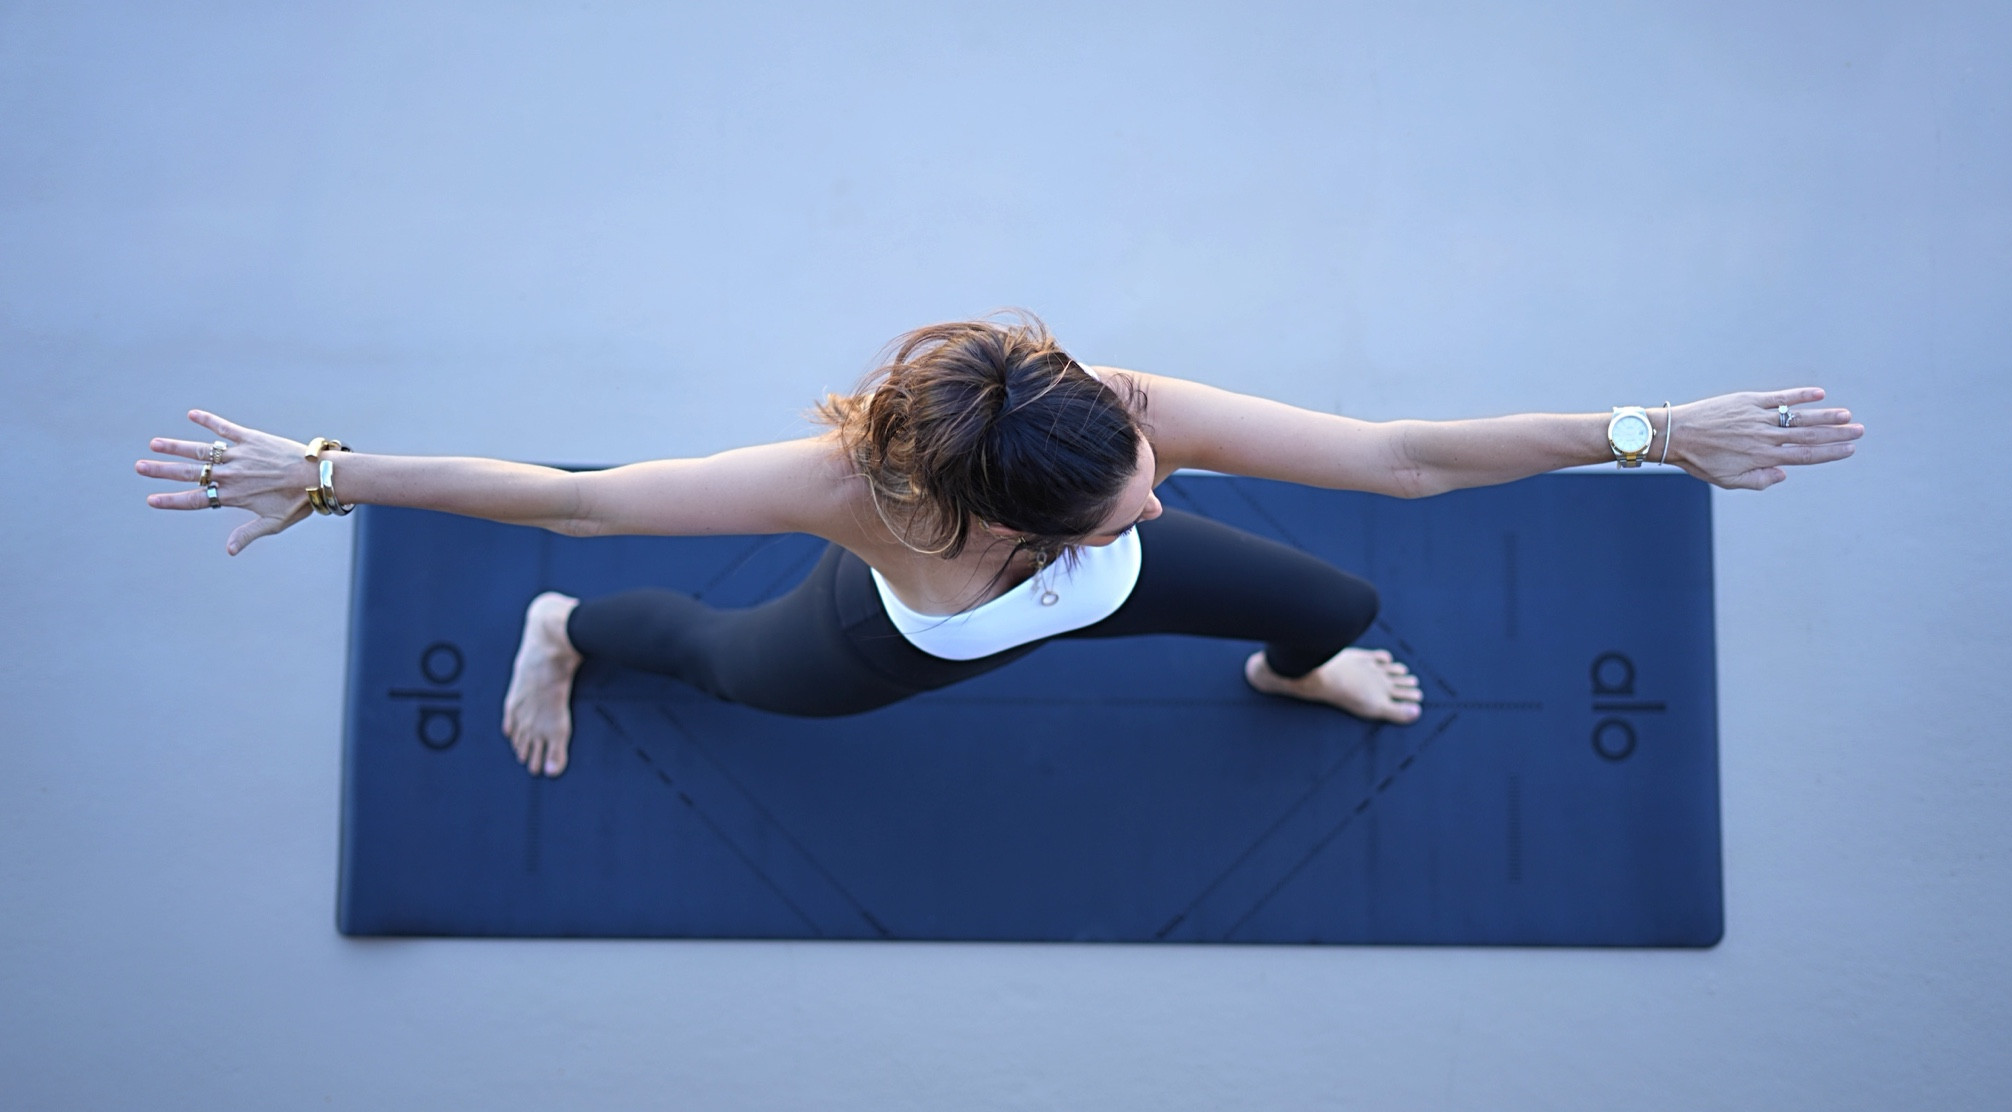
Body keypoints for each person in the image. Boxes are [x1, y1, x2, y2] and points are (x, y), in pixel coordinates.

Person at [136, 314, 1859, 778]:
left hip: (1084, 611)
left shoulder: (1109, 412)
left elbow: (1401, 457)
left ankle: (1296, 669)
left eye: (1145, 474)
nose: (1161, 488)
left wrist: (1649, 437)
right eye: (1123, 503)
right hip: (903, 640)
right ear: (1000, 520)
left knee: (1339, 591)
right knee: (734, 672)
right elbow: (574, 493)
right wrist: (334, 475)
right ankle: (574, 637)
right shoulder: (847, 496)